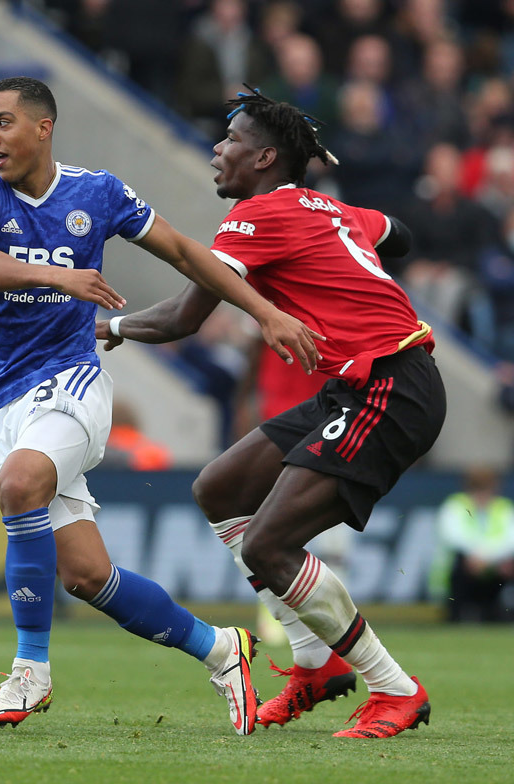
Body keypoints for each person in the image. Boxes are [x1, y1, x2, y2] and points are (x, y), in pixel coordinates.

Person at [0, 77, 322, 735]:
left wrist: (265, 312)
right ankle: (220, 648)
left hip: (72, 386)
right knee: (87, 577)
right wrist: (59, 276)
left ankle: (30, 670)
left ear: (43, 127)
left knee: (20, 483)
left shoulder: (99, 192)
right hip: (2, 403)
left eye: (4, 122)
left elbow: (185, 253)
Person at [99, 87, 443, 738]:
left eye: (229, 139)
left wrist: (103, 327)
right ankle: (315, 665)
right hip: (359, 384)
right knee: (221, 487)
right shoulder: (329, 210)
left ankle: (395, 688)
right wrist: (347, 242)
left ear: (263, 157)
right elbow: (402, 235)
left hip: (390, 387)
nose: (217, 150)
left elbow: (181, 318)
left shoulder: (257, 217)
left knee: (268, 543)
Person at [430, 466, 514, 623]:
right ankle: (456, 618)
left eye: (486, 488)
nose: (483, 494)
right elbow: (452, 535)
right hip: (463, 570)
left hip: (496, 568)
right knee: (460, 562)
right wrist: (476, 556)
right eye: (478, 488)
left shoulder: (504, 507)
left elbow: (510, 538)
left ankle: (499, 615)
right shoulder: (455, 505)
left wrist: (486, 558)